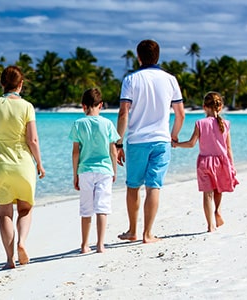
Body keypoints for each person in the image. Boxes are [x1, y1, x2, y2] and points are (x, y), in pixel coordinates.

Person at [0, 65, 46, 269]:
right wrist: (39, 163)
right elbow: (33, 140)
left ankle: (9, 259)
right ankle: (22, 242)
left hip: (0, 166)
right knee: (25, 209)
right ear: (21, 85)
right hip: (23, 166)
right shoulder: (27, 107)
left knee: (5, 213)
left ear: (2, 84)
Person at [115, 39, 186, 244]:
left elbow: (123, 113)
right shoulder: (170, 79)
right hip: (161, 140)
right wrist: (174, 135)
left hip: (137, 140)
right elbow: (180, 114)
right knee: (153, 186)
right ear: (158, 56)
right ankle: (148, 234)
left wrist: (118, 142)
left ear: (138, 57)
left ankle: (132, 230)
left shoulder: (130, 80)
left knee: (133, 186)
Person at [172, 92, 238, 232]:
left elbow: (191, 144)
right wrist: (232, 165)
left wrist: (176, 144)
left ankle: (210, 226)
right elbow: (228, 148)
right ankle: (218, 211)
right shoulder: (226, 124)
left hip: (205, 162)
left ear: (204, 107)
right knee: (218, 189)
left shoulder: (200, 124)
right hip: (222, 161)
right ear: (220, 107)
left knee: (207, 194)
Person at [69, 88, 120, 253]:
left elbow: (76, 152)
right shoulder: (108, 124)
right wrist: (114, 170)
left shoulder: (78, 124)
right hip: (105, 170)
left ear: (83, 106)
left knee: (86, 209)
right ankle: (100, 244)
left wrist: (75, 174)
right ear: (101, 105)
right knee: (102, 207)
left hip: (84, 170)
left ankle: (84, 245)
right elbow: (113, 150)